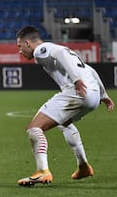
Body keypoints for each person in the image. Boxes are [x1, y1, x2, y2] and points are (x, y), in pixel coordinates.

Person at [15, 25, 115, 186]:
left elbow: (61, 55)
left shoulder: (41, 50)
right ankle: (83, 166)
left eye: (20, 46)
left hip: (77, 92)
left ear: (28, 43)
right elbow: (91, 70)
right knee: (64, 123)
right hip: (93, 95)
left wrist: (76, 80)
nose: (20, 51)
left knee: (34, 128)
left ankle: (42, 171)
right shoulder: (65, 50)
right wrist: (103, 95)